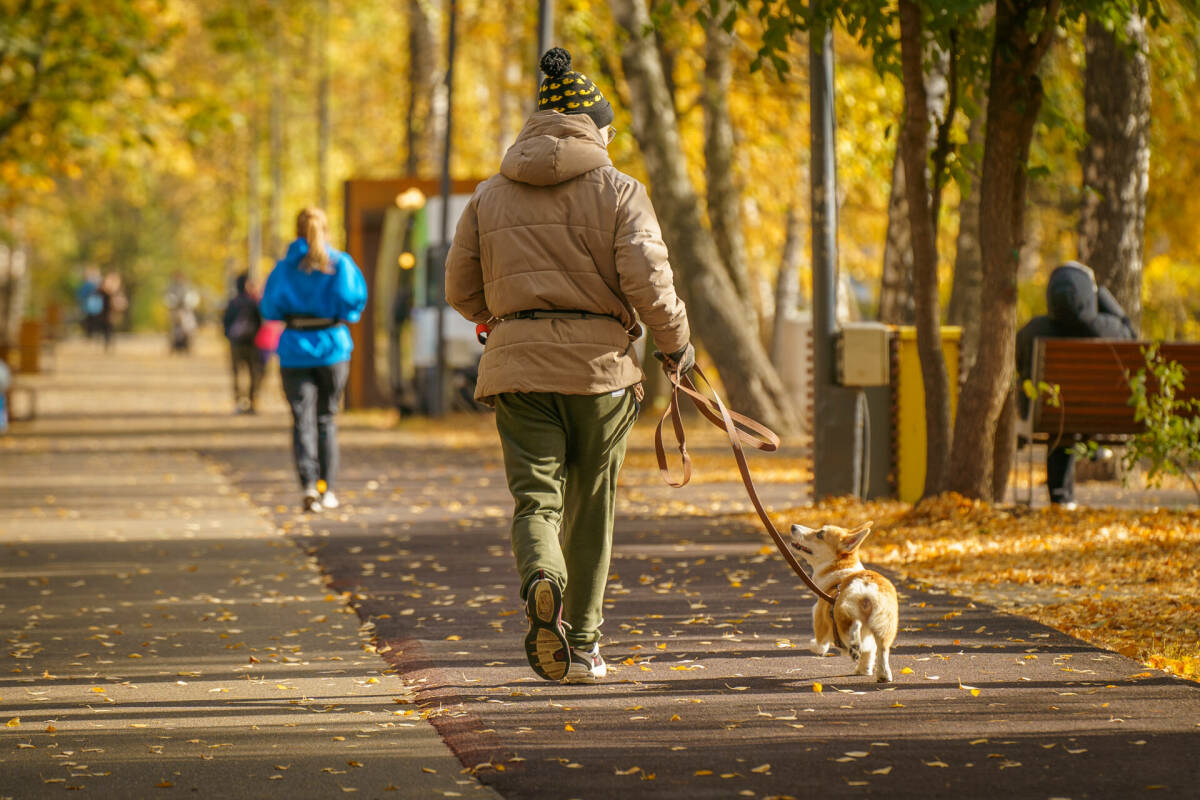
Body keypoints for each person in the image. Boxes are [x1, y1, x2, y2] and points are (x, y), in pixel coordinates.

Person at [445, 47, 693, 685]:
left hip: (517, 367)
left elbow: (459, 288)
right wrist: (676, 347)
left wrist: (503, 316)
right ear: (596, 130)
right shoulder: (621, 190)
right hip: (600, 373)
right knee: (592, 508)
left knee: (537, 500)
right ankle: (582, 646)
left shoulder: (488, 195)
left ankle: (541, 576)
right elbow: (650, 283)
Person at [260, 207, 367, 513]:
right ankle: (327, 489)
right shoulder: (340, 263)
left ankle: (308, 484)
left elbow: (269, 308)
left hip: (295, 348)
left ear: (296, 231)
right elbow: (353, 301)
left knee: (301, 420)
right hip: (332, 347)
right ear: (326, 229)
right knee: (326, 419)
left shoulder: (284, 267)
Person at [1016, 261, 1136, 507]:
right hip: (1100, 415)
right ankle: (1093, 444)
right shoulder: (1107, 329)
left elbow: (1020, 367)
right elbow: (1131, 333)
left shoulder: (1034, 330)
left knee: (1060, 420)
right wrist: (1100, 293)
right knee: (1075, 412)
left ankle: (1061, 498)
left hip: (1049, 415)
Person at [222, 272, 264, 414]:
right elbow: (260, 322)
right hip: (252, 343)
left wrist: (229, 336)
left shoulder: (233, 302)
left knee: (237, 374)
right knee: (254, 373)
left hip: (236, 343)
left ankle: (239, 402)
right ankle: (251, 402)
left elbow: (225, 322)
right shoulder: (253, 303)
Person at [165, 271, 200, 354]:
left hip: (186, 311)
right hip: (175, 311)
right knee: (173, 330)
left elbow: (193, 298)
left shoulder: (188, 287)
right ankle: (173, 347)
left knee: (190, 329)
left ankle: (189, 347)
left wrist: (188, 304)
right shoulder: (172, 287)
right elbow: (168, 299)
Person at [97, 271, 127, 351]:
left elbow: (120, 300)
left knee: (110, 327)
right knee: (106, 328)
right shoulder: (103, 289)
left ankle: (109, 343)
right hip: (104, 312)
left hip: (111, 311)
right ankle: (107, 343)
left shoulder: (115, 290)